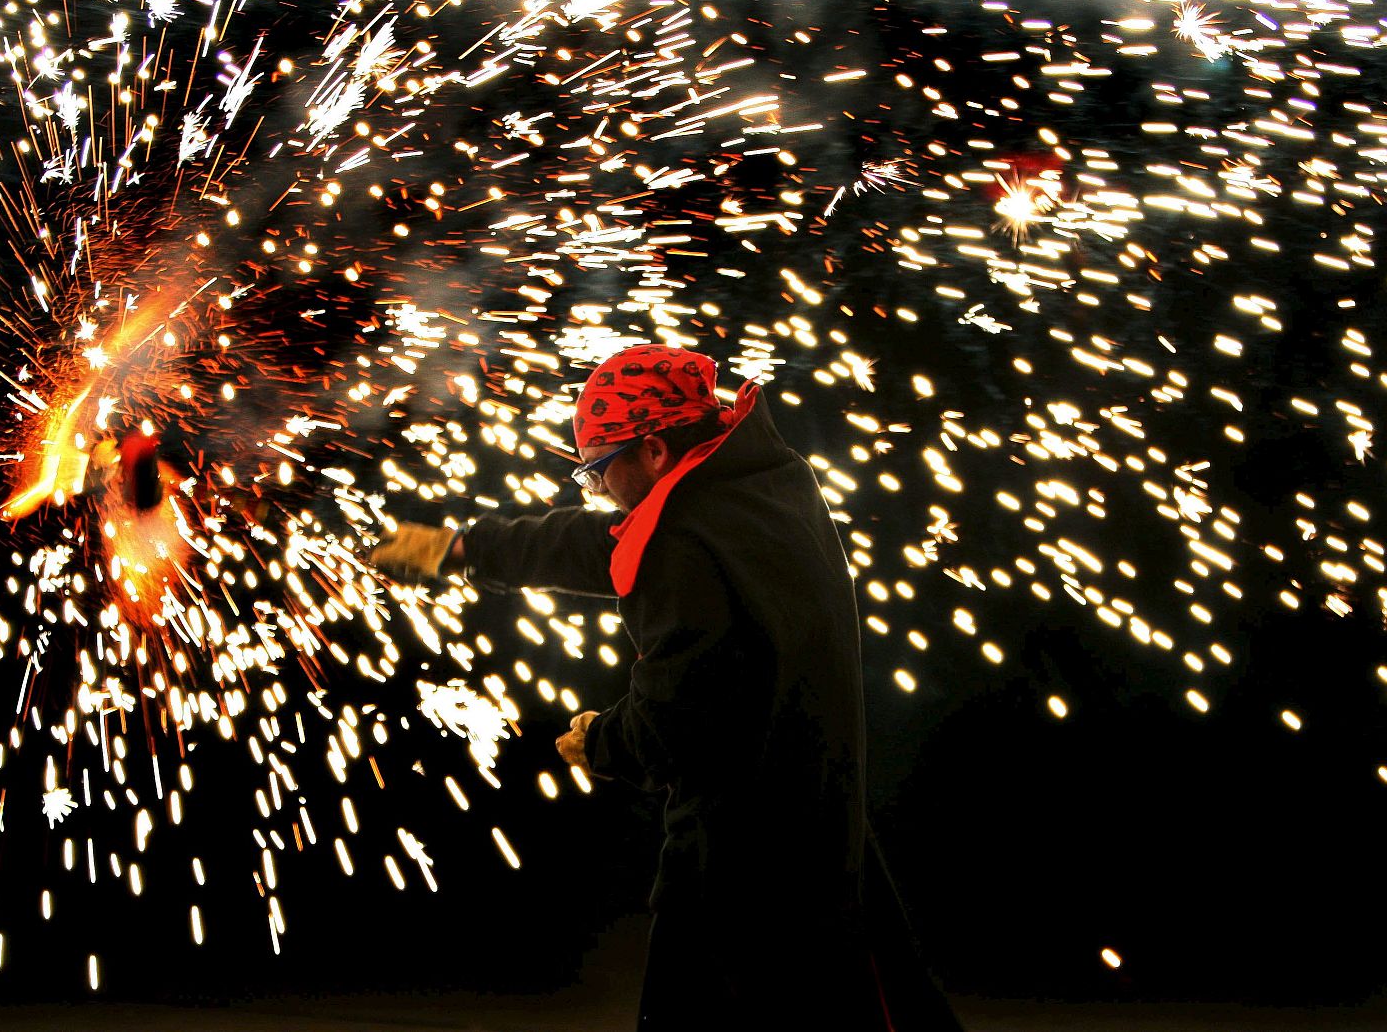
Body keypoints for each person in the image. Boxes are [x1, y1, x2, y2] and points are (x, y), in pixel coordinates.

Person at [370, 345, 963, 1031]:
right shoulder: (762, 482)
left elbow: (673, 719)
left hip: (743, 861)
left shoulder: (683, 542)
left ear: (652, 448)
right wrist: (469, 548)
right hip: (821, 819)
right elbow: (611, 545)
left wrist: (604, 741)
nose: (596, 489)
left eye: (597, 471)